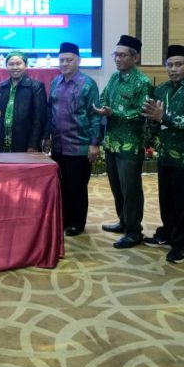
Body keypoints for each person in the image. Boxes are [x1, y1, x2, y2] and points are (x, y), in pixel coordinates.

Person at [141, 44, 184, 264]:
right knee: (166, 199)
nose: (173, 69)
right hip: (166, 155)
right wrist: (152, 125)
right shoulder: (161, 89)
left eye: (178, 64)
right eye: (169, 65)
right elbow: (152, 119)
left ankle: (181, 245)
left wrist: (164, 118)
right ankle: (168, 233)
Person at [94, 34, 152, 249]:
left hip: (130, 145)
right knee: (117, 187)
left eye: (122, 55)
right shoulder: (114, 78)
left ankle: (134, 231)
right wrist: (102, 107)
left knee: (131, 190)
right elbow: (104, 97)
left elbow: (142, 112)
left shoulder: (143, 82)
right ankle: (123, 221)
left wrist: (114, 113)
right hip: (112, 142)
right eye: (115, 55)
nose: (117, 59)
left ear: (135, 58)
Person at [47, 42, 102, 235]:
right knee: (61, 186)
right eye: (62, 60)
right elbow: (50, 111)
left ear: (78, 61)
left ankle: (77, 223)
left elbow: (95, 115)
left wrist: (94, 143)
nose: (64, 64)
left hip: (79, 145)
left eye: (69, 60)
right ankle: (64, 219)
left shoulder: (88, 84)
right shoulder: (55, 82)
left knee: (77, 186)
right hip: (59, 145)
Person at [0, 50, 46, 153]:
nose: (15, 67)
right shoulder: (1, 86)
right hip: (3, 141)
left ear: (25, 65)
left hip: (25, 142)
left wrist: (33, 144)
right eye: (11, 64)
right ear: (6, 66)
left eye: (18, 64)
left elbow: (39, 119)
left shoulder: (36, 87)